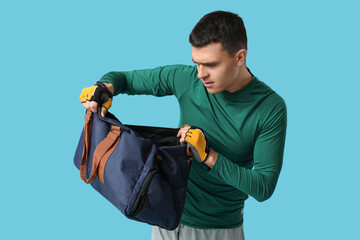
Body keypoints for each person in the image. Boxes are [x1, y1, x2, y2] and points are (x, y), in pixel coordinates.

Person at [80, 10, 287, 240]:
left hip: (217, 230)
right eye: (196, 63)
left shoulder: (270, 108)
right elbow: (125, 80)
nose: (201, 74)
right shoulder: (186, 79)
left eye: (211, 64)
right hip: (166, 220)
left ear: (240, 57)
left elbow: (264, 186)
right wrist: (104, 87)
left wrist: (209, 155)